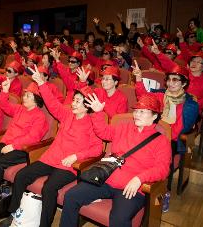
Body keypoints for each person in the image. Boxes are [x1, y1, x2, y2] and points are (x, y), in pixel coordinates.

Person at [0, 65, 103, 227]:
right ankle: (13, 215)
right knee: (21, 176)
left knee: (49, 188)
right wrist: (41, 84)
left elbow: (98, 149)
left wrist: (76, 156)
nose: (73, 104)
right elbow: (52, 104)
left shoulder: (92, 123)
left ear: (87, 106)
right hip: (51, 158)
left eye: (77, 101)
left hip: (69, 165)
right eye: (73, 100)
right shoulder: (67, 115)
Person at [60, 93, 171, 227]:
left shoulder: (161, 141)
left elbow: (163, 169)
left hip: (132, 188)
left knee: (119, 219)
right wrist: (98, 113)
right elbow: (104, 133)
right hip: (108, 179)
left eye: (142, 111)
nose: (137, 114)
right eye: (136, 111)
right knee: (71, 196)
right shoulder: (125, 127)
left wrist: (140, 178)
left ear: (154, 116)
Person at [132, 61, 199, 212]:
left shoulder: (190, 104)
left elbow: (181, 129)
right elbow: (143, 97)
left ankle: (163, 193)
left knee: (162, 156)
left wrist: (161, 137)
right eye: (169, 79)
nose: (170, 83)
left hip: (172, 139)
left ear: (184, 83)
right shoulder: (160, 94)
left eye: (175, 80)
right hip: (152, 132)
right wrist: (138, 79)